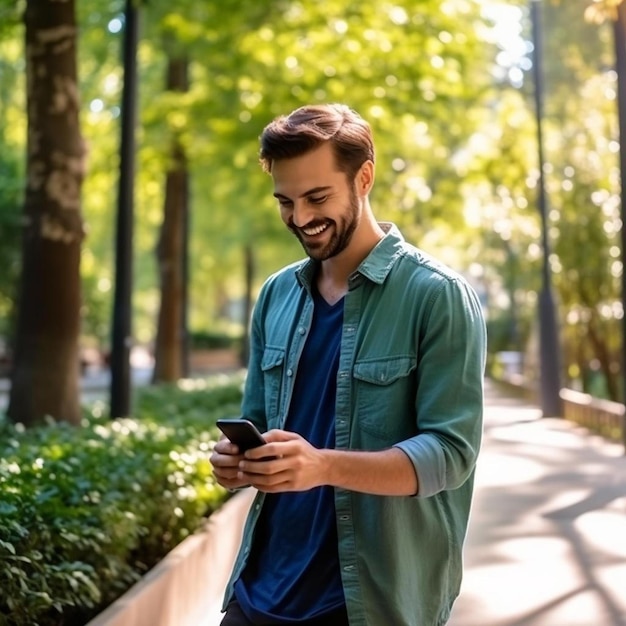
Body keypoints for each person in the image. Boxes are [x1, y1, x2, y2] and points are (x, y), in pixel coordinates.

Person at [210, 103, 487, 626]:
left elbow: (450, 453)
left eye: (317, 197)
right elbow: (263, 427)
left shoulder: (438, 296)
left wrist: (323, 465)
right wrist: (238, 463)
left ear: (364, 177)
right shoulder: (276, 295)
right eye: (285, 202)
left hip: (369, 604)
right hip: (257, 592)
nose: (301, 219)